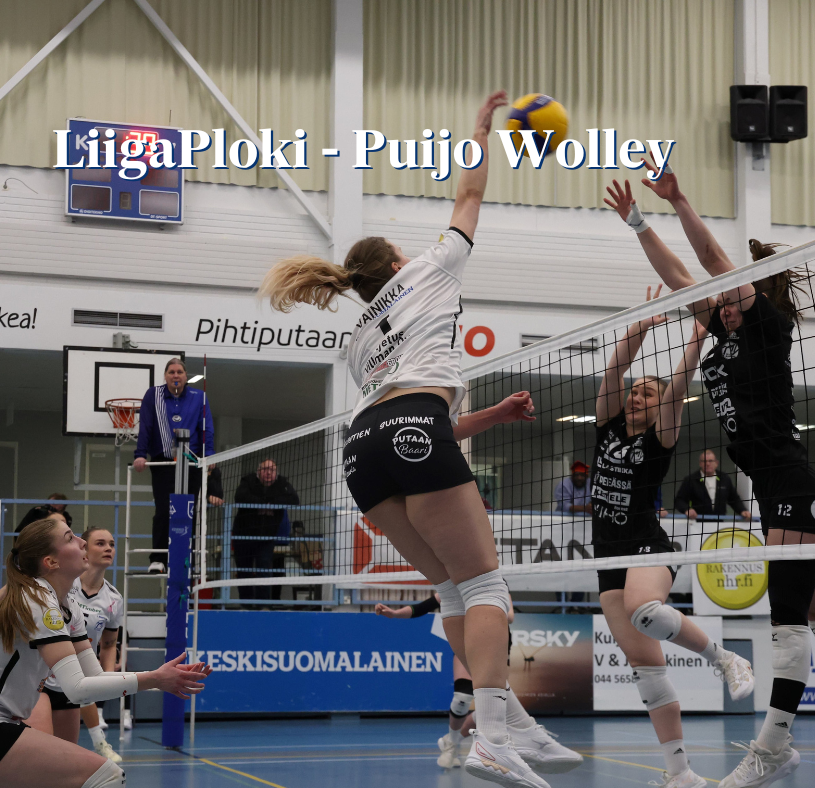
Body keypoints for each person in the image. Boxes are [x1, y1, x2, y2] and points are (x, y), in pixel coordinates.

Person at [261, 90, 548, 788]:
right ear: (395, 263)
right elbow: (470, 193)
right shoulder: (432, 268)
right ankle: (493, 736)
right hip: (415, 425)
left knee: (451, 589)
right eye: (399, 249)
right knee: (486, 587)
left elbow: (408, 423)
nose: (407, 251)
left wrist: (491, 416)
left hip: (362, 450)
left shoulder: (357, 339)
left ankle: (505, 726)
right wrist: (479, 131)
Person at [607, 162, 815, 788]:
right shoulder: (720, 334)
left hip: (790, 478)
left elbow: (713, 261)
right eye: (718, 303)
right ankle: (777, 746)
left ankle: (773, 746)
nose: (720, 306)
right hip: (771, 485)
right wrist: (638, 223)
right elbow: (680, 277)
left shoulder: (766, 327)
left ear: (749, 297)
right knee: (802, 614)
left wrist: (679, 201)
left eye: (728, 299)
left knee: (787, 619)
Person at [590, 285, 754, 788]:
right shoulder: (606, 426)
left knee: (644, 610)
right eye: (635, 390)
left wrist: (697, 336)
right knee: (647, 669)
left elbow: (678, 386)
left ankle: (725, 658)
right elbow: (614, 372)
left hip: (648, 545)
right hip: (607, 557)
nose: (636, 395)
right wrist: (640, 326)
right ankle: (680, 773)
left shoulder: (660, 437)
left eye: (647, 392)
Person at [0, 518, 209, 788]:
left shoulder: (68, 605)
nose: (82, 542)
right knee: (108, 775)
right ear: (51, 562)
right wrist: (155, 679)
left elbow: (93, 679)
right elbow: (77, 690)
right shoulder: (37, 600)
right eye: (70, 538)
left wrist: (157, 678)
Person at [375, 594, 583, 774]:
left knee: (490, 706)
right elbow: (422, 607)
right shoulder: (457, 582)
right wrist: (394, 613)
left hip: (498, 647)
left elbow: (510, 616)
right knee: (462, 698)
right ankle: (451, 744)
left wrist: (483, 609)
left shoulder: (498, 584)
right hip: (470, 645)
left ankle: (451, 741)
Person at [21, 528, 125, 763]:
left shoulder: (114, 598)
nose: (108, 548)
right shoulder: (63, 582)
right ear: (83, 548)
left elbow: (109, 644)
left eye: (112, 544)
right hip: (42, 676)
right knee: (41, 753)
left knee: (63, 760)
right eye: (100, 543)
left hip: (74, 678)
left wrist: (107, 678)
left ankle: (100, 742)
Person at [133, 358, 214, 573]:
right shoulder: (154, 395)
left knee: (189, 512)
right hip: (163, 462)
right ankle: (158, 559)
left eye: (179, 372)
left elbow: (206, 428)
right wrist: (140, 454)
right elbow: (146, 426)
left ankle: (188, 559)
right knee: (163, 511)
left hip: (191, 462)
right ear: (165, 376)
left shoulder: (199, 397)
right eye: (171, 372)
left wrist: (209, 454)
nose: (175, 375)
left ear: (186, 376)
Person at [233, 459, 300, 602]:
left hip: (266, 537)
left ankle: (262, 605)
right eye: (265, 469)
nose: (268, 473)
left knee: (263, 571)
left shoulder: (282, 483)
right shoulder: (248, 481)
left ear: (276, 473)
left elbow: (294, 499)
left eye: (272, 470)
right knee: (244, 571)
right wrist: (263, 504)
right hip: (244, 536)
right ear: (258, 472)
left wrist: (271, 503)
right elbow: (239, 497)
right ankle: (246, 604)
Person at [674, 450, 751, 521]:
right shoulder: (691, 480)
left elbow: (734, 499)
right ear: (700, 463)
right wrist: (687, 509)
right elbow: (679, 500)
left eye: (710, 461)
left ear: (716, 463)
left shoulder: (725, 478)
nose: (707, 464)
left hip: (719, 524)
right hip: (697, 524)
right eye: (704, 461)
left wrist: (742, 510)